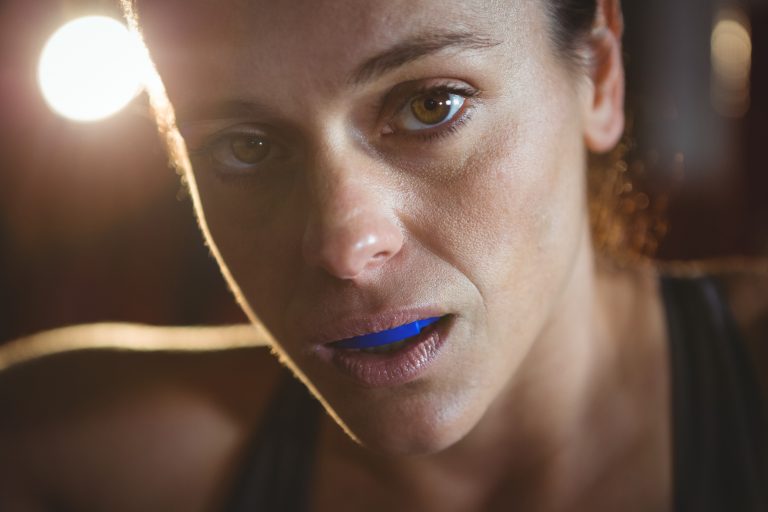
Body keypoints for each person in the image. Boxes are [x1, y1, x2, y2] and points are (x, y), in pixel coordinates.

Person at [1, 0, 766, 510]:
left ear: (599, 75)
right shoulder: (64, 460)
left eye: (430, 104)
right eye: (248, 146)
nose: (343, 245)